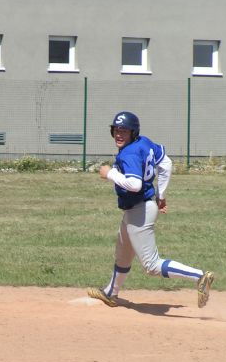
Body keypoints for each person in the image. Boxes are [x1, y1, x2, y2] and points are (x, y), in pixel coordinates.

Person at [87, 111, 214, 308]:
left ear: (133, 132)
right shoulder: (143, 142)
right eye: (116, 130)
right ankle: (111, 292)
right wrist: (161, 195)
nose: (119, 134)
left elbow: (135, 184)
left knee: (151, 265)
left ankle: (199, 276)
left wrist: (110, 173)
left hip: (140, 210)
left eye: (124, 131)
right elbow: (166, 163)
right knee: (123, 252)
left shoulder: (129, 153)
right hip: (138, 208)